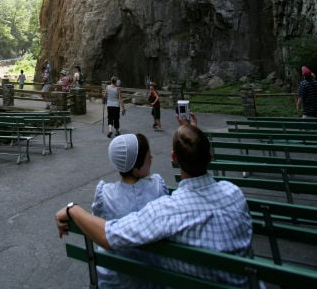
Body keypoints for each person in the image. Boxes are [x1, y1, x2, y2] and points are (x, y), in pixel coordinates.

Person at [56, 114, 253, 286]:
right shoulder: (234, 193)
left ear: (174, 158)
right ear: (209, 157)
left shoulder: (167, 211)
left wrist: (72, 208)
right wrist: (192, 134)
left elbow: (109, 236)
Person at [92, 133, 168, 288]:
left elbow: (97, 223)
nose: (152, 157)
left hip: (116, 280)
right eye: (148, 156)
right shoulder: (157, 186)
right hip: (154, 279)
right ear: (137, 168)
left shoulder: (105, 195)